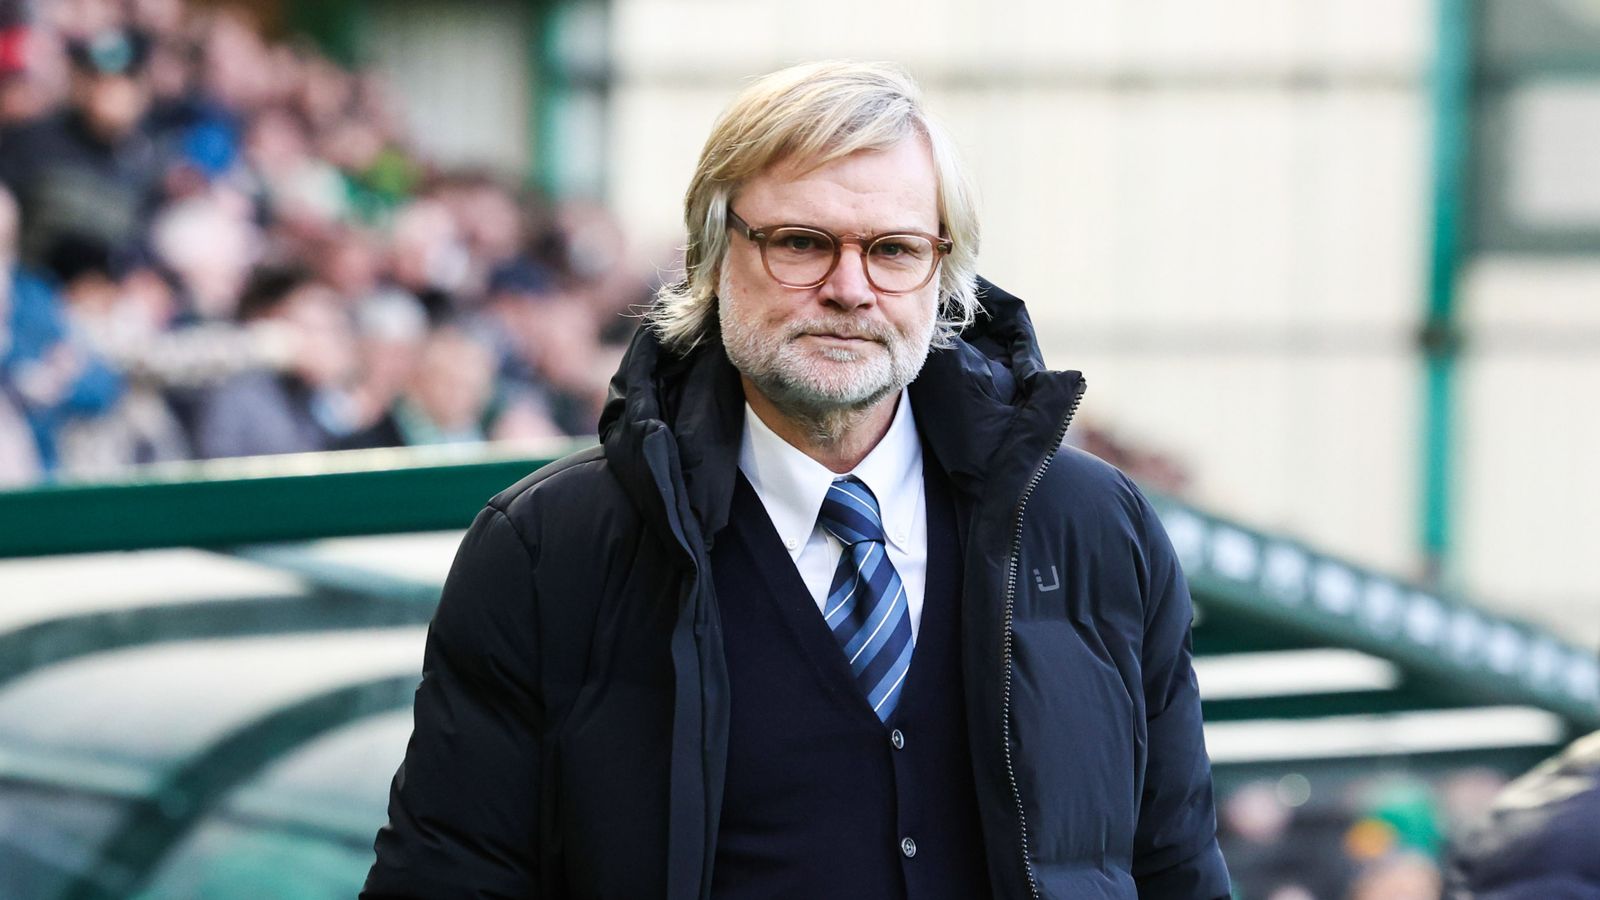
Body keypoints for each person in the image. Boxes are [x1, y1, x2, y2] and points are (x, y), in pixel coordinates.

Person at [364, 61, 1230, 899]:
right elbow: (449, 876)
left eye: (893, 250)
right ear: (711, 255)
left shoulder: (1093, 527)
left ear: (943, 274)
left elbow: (1177, 867)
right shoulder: (549, 550)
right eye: (801, 243)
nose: (850, 288)